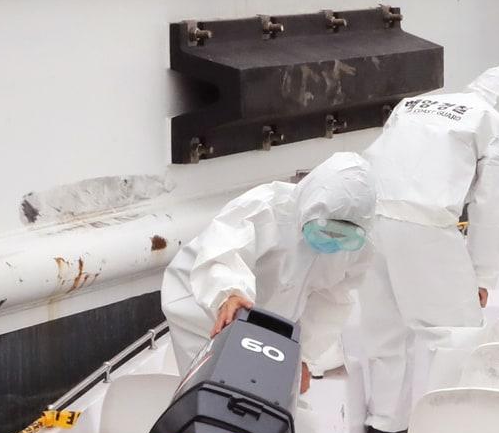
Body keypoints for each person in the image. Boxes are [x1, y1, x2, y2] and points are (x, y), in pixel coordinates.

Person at [358, 65, 499, 433]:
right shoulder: (497, 126)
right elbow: (492, 212)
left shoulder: (416, 104)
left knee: (385, 329)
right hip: (426, 225)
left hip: (368, 218)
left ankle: (384, 424)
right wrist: (482, 277)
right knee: (456, 331)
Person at [161, 152, 378, 393]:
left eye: (345, 237)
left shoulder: (360, 249)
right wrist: (229, 293)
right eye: (325, 230)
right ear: (309, 208)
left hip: (269, 314)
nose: (332, 242)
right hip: (204, 307)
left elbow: (332, 301)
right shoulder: (264, 207)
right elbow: (224, 253)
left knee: (268, 395)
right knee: (212, 389)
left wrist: (303, 356)